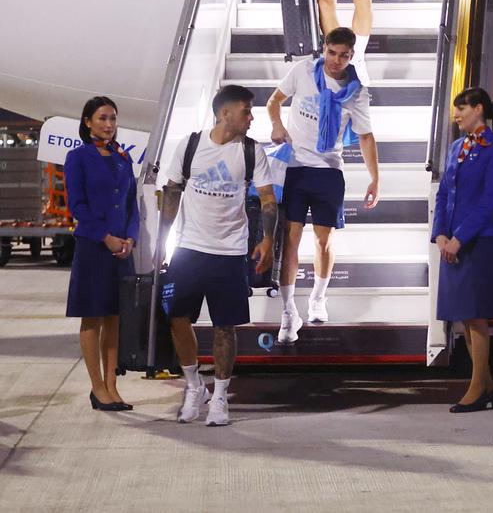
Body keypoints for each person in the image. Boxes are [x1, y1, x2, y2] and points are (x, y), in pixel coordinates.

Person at [160, 85, 275, 426]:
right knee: (177, 318)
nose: (251, 118)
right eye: (246, 111)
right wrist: (159, 242)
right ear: (224, 113)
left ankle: (221, 397)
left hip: (230, 251)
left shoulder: (253, 151)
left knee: (226, 327)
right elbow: (171, 193)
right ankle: (195, 387)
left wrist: (267, 240)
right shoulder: (191, 145)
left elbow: (268, 200)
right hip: (190, 248)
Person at [266, 27, 379, 341]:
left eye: (344, 55)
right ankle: (288, 311)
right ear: (324, 49)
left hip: (329, 170)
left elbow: (366, 137)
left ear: (352, 55)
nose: (336, 60)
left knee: (323, 241)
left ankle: (318, 297)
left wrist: (375, 179)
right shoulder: (302, 70)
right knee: (290, 238)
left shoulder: (357, 91)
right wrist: (276, 124)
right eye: (332, 53)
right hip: (294, 167)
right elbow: (274, 101)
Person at [432, 87, 493, 413]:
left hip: (476, 242)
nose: (457, 115)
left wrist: (459, 238)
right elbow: (443, 194)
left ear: (478, 108)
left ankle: (478, 388)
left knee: (476, 316)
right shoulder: (455, 147)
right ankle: (489, 386)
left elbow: (489, 201)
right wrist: (439, 235)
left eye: (461, 109)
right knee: (464, 315)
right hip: (452, 243)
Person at [64, 95, 138, 411]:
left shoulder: (123, 158)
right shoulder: (78, 157)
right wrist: (105, 237)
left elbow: (133, 204)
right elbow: (77, 206)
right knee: (92, 317)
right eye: (103, 118)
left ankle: (112, 386)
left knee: (115, 319)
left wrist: (130, 238)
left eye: (113, 119)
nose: (109, 125)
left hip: (121, 249)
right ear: (87, 122)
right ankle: (96, 387)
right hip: (94, 247)